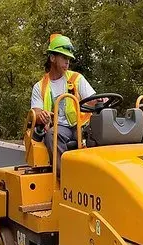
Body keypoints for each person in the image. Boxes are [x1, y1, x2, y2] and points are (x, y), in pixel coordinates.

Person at [30, 34, 100, 175]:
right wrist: (40, 116)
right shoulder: (40, 86)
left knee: (103, 131)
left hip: (81, 126)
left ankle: (98, 177)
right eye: (64, 57)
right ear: (52, 58)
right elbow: (35, 113)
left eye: (69, 59)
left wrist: (99, 102)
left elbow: (93, 100)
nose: (67, 62)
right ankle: (65, 178)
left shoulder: (76, 78)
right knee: (52, 135)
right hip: (60, 128)